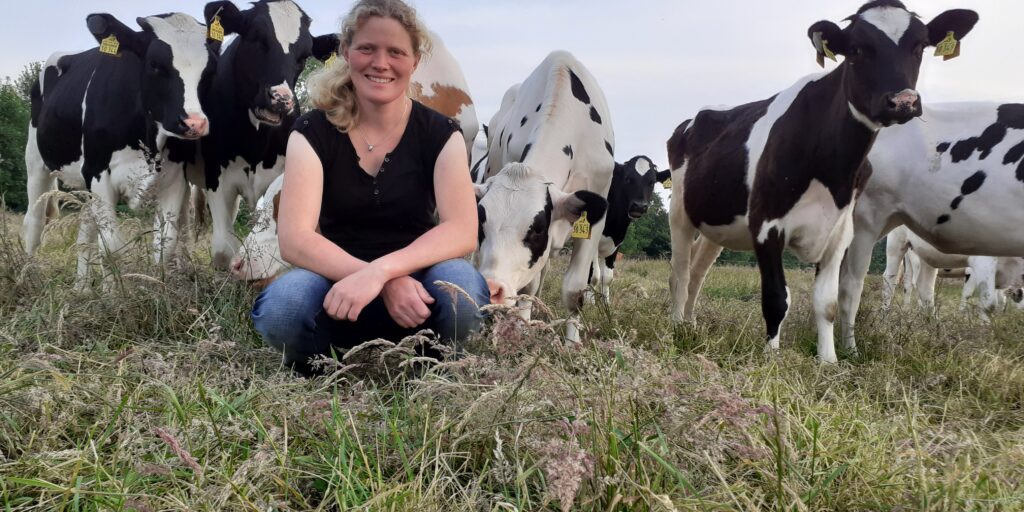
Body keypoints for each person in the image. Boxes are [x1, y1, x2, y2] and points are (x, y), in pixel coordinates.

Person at [251, 0, 487, 375]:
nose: (381, 63)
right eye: (367, 49)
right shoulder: (312, 132)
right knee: (283, 305)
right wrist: (371, 279)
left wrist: (382, 274)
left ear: (414, 61)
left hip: (418, 288)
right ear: (346, 53)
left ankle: (434, 366)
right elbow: (294, 239)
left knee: (462, 290)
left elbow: (461, 231)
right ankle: (324, 364)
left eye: (395, 52)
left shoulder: (442, 134)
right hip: (334, 286)